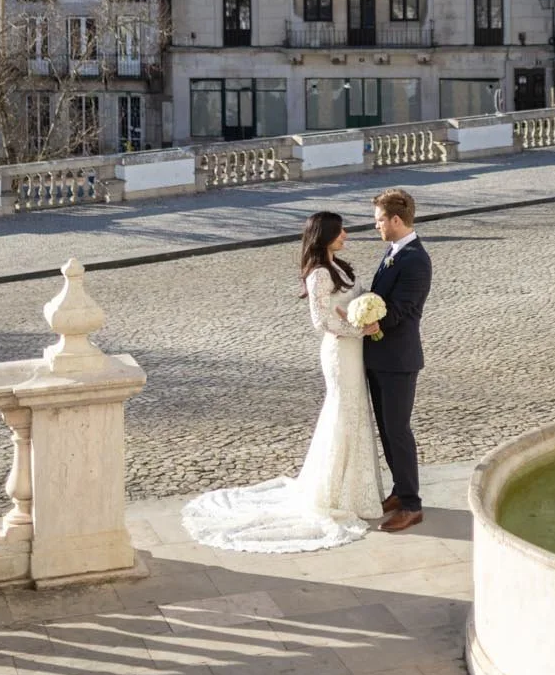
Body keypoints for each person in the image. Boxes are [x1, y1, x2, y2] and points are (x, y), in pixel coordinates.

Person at [182, 210, 383, 553]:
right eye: (340, 231)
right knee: (342, 411)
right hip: (339, 351)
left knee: (355, 410)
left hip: (353, 350)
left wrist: (368, 310)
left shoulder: (339, 267)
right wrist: (359, 329)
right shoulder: (319, 274)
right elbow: (320, 322)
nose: (346, 234)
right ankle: (334, 491)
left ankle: (355, 489)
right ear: (325, 236)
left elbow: (350, 302)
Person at [363, 187, 432, 533]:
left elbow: (405, 308)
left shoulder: (416, 258)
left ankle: (412, 504)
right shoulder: (393, 251)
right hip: (379, 357)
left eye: (378, 221)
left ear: (395, 220)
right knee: (388, 432)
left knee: (399, 432)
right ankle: (399, 491)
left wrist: (372, 320)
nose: (376, 227)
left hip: (399, 360)